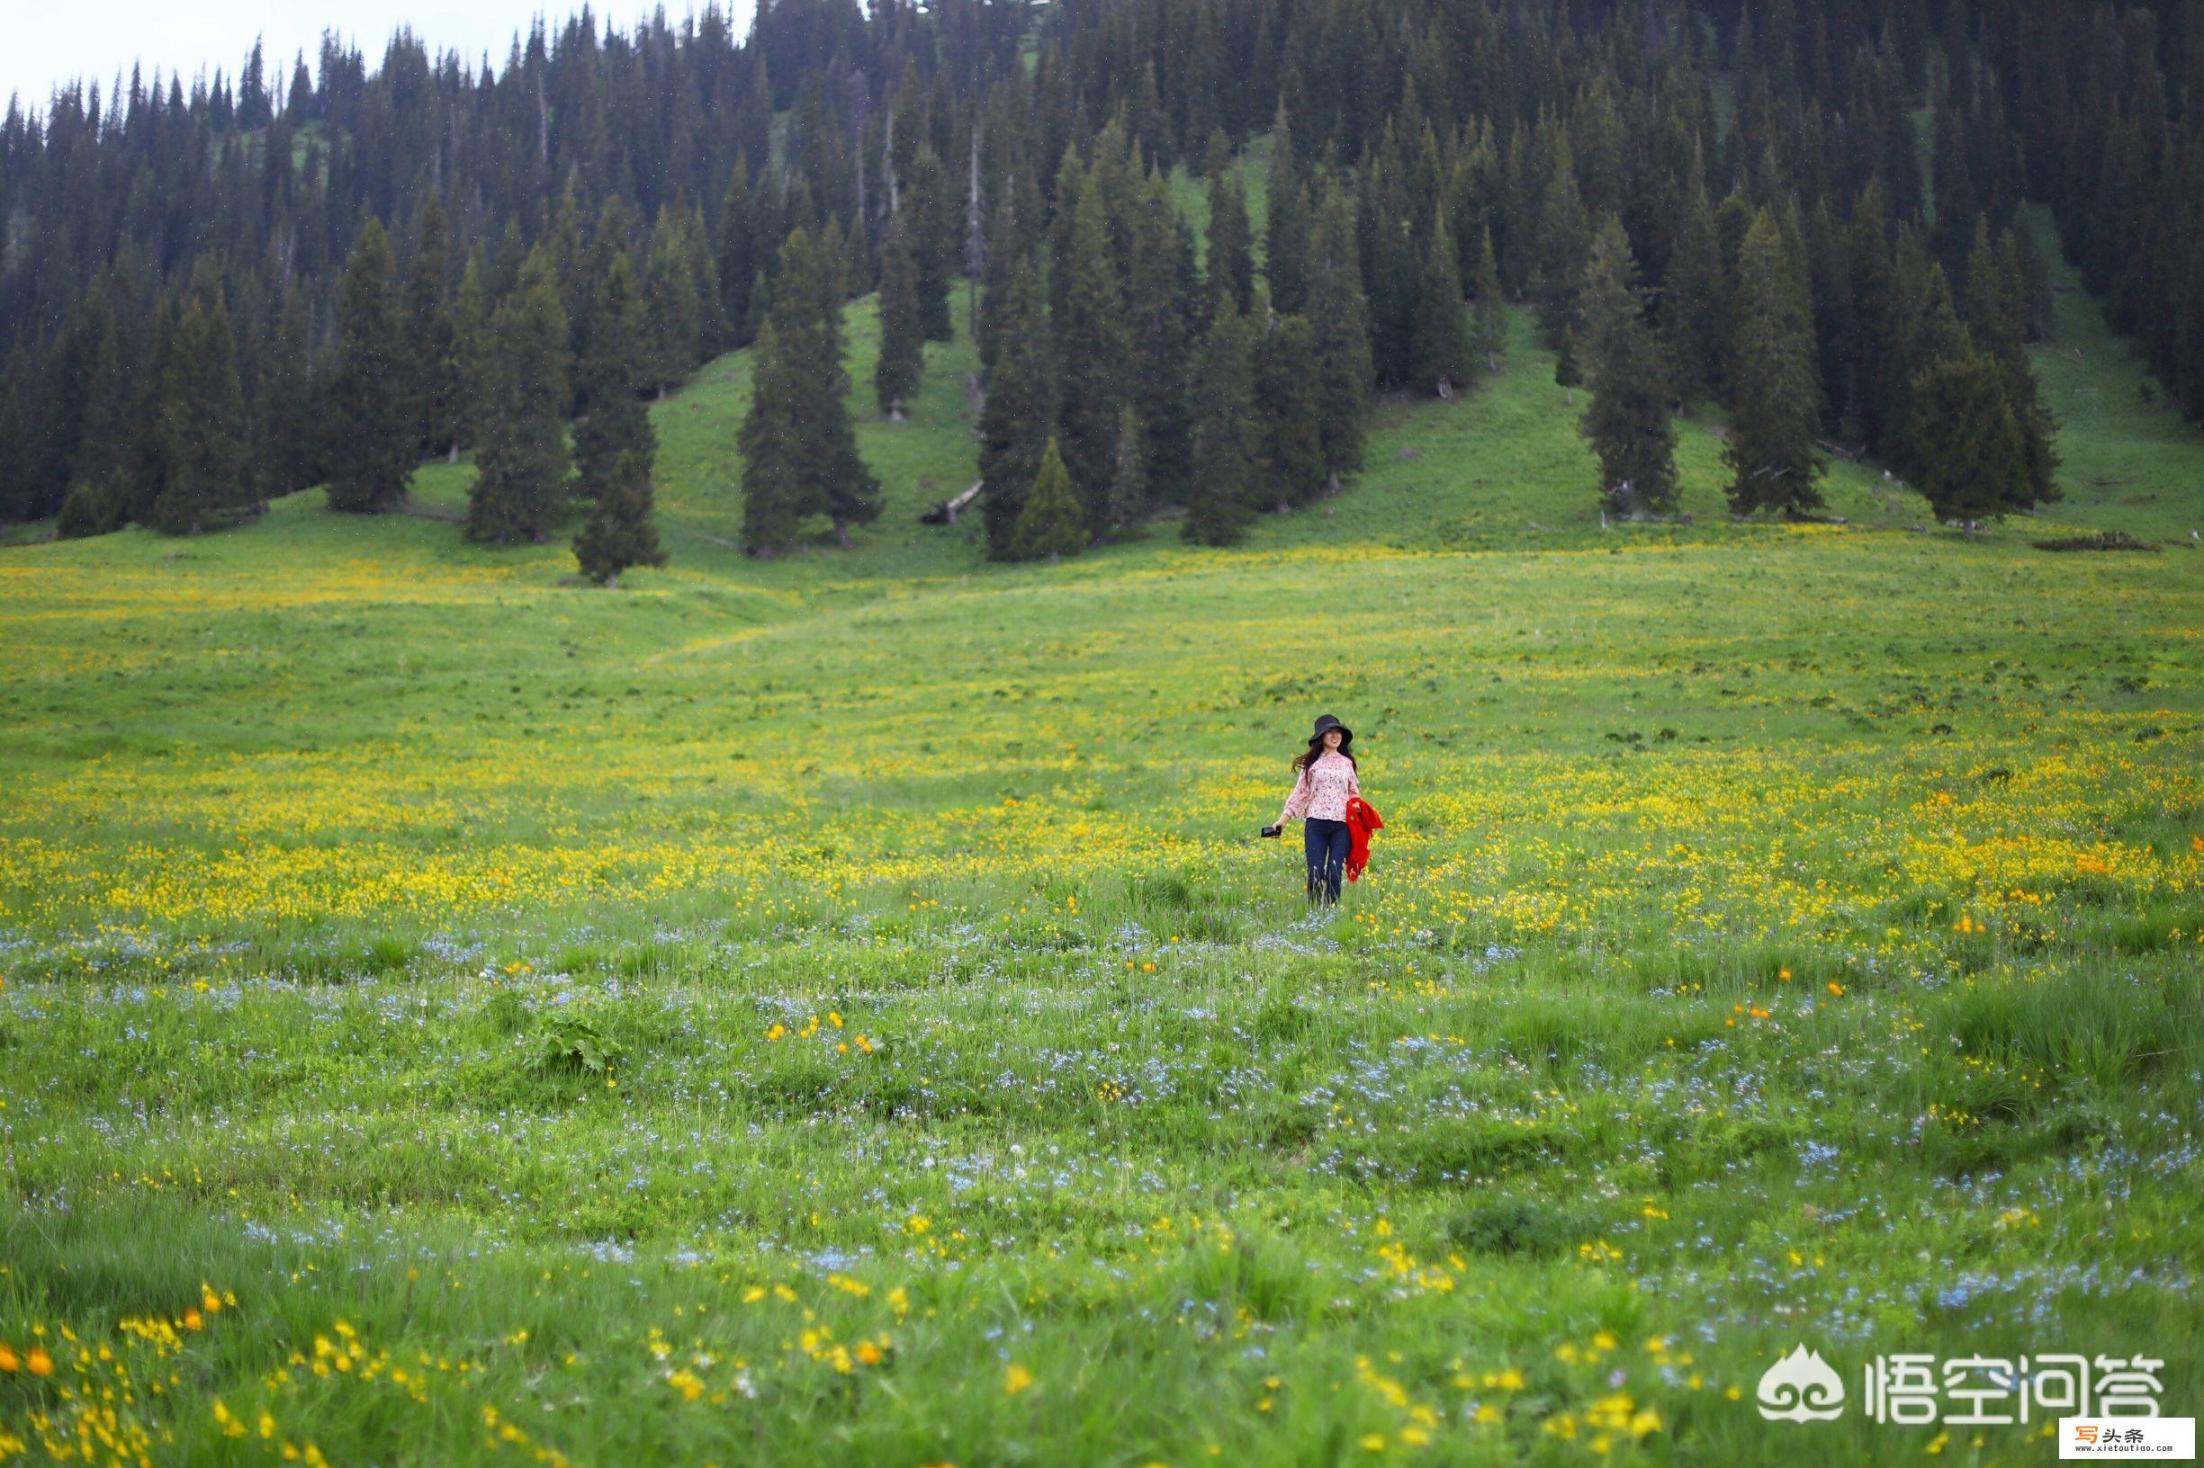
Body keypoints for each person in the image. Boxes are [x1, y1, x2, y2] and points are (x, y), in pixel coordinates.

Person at [1261, 713, 1362, 904]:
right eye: (1329, 732)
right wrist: (1282, 821)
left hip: (1342, 826)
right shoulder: (1312, 764)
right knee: (1315, 871)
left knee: (1334, 872)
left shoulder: (1347, 763)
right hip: (1316, 824)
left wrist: (1358, 808)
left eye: (1337, 732)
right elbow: (1299, 794)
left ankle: (1331, 914)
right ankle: (1314, 915)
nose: (1335, 736)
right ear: (1321, 737)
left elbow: (1353, 791)